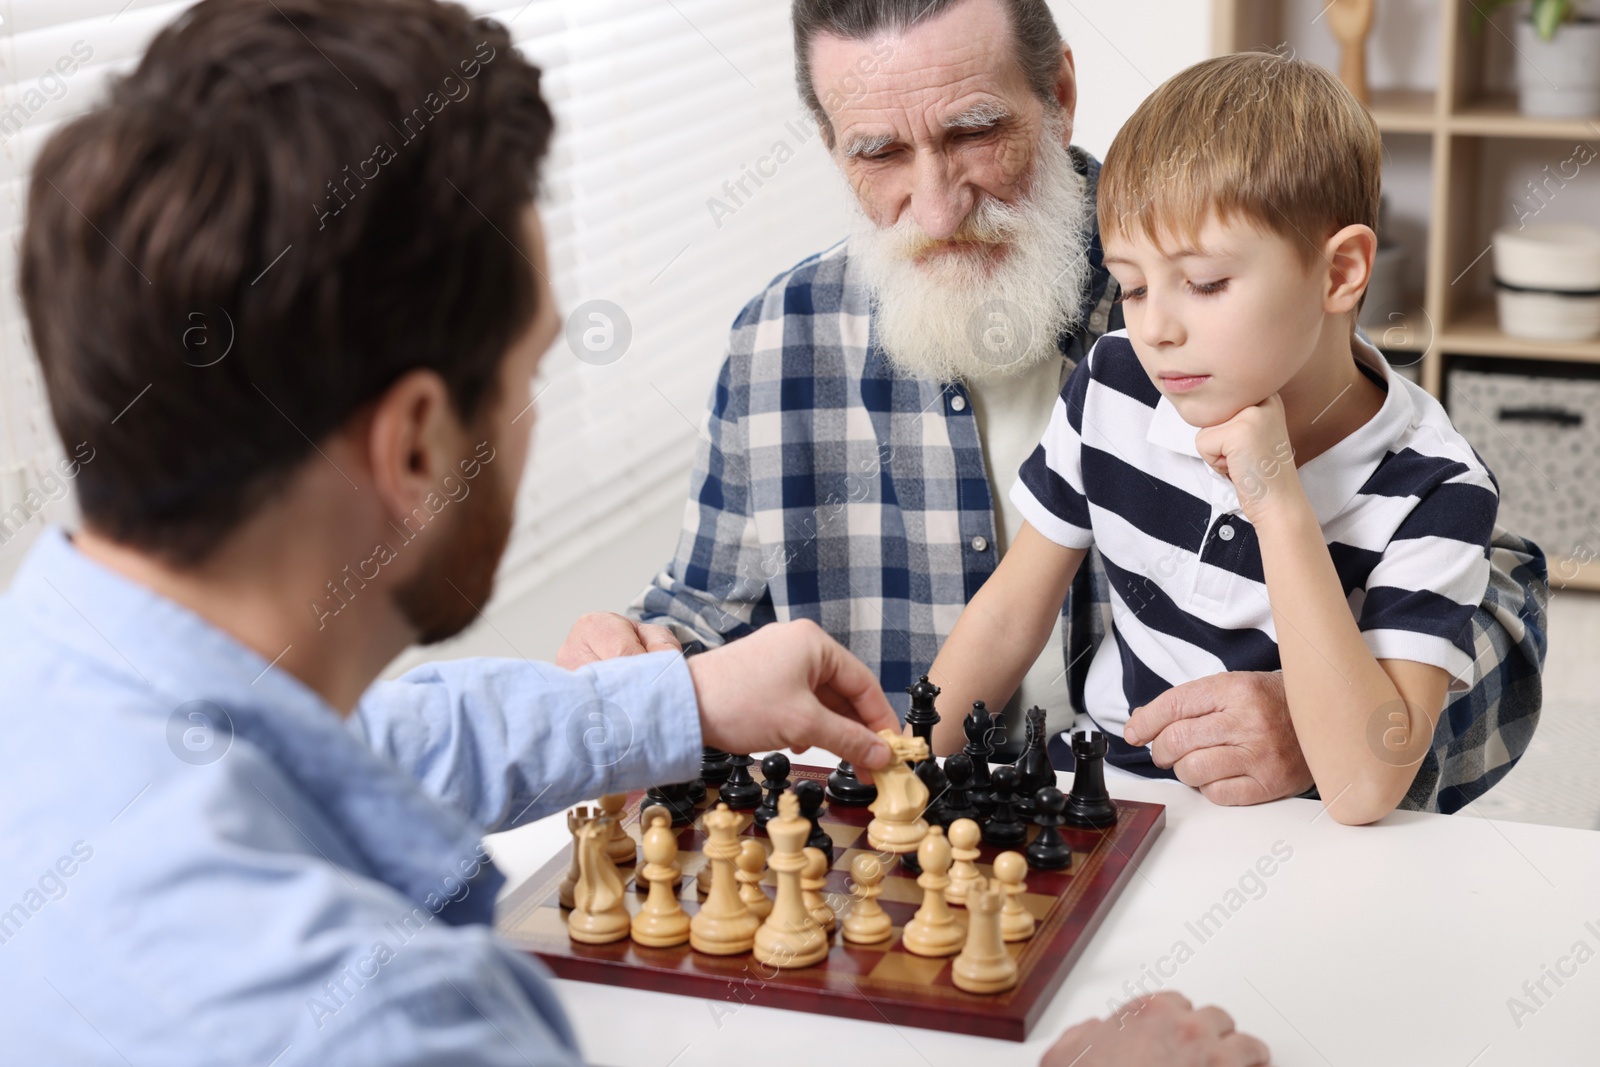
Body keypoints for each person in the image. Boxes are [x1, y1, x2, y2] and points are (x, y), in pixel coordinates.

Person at [0, 1, 1266, 1064]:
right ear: (415, 445)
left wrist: (681, 694)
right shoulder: (396, 1022)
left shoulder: (67, 668)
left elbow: (364, 749)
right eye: (530, 372)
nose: (932, 199)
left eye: (975, 130)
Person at [563, 0, 1547, 811]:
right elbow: (704, 612)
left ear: (1061, 95)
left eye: (973, 132)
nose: (939, 207)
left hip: (1222, 832)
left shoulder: (1210, 265)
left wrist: (1332, 714)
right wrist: (637, 667)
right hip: (961, 851)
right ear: (829, 149)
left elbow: (1491, 615)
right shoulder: (777, 341)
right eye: (877, 154)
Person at [928, 53, 1501, 826]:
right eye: (1132, 285)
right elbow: (1007, 615)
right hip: (1105, 794)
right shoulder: (1115, 382)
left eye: (1204, 283)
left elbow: (1366, 785)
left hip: (1288, 833)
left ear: (1341, 273)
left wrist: (1277, 501)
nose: (1156, 327)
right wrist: (908, 764)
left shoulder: (1435, 488)